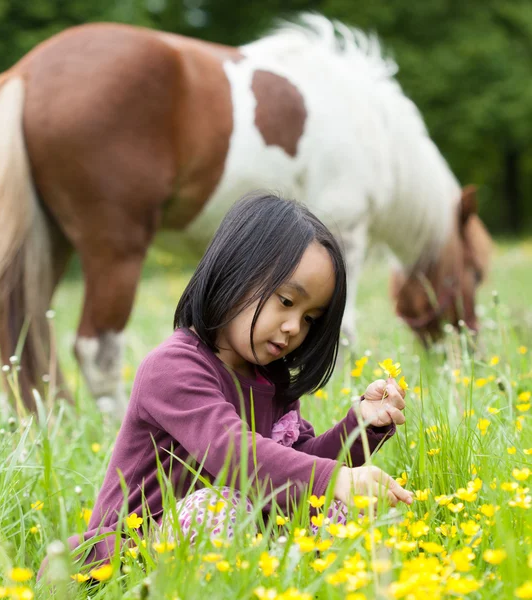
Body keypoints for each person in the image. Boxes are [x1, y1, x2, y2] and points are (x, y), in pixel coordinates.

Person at [43, 191, 411, 575]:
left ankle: (301, 575)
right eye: (286, 302)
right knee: (219, 507)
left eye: (309, 319)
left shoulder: (272, 379)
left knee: (331, 502)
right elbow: (231, 452)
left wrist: (362, 426)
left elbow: (300, 465)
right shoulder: (172, 368)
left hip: (236, 533)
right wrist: (331, 479)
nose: (293, 327)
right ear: (236, 272)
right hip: (131, 552)